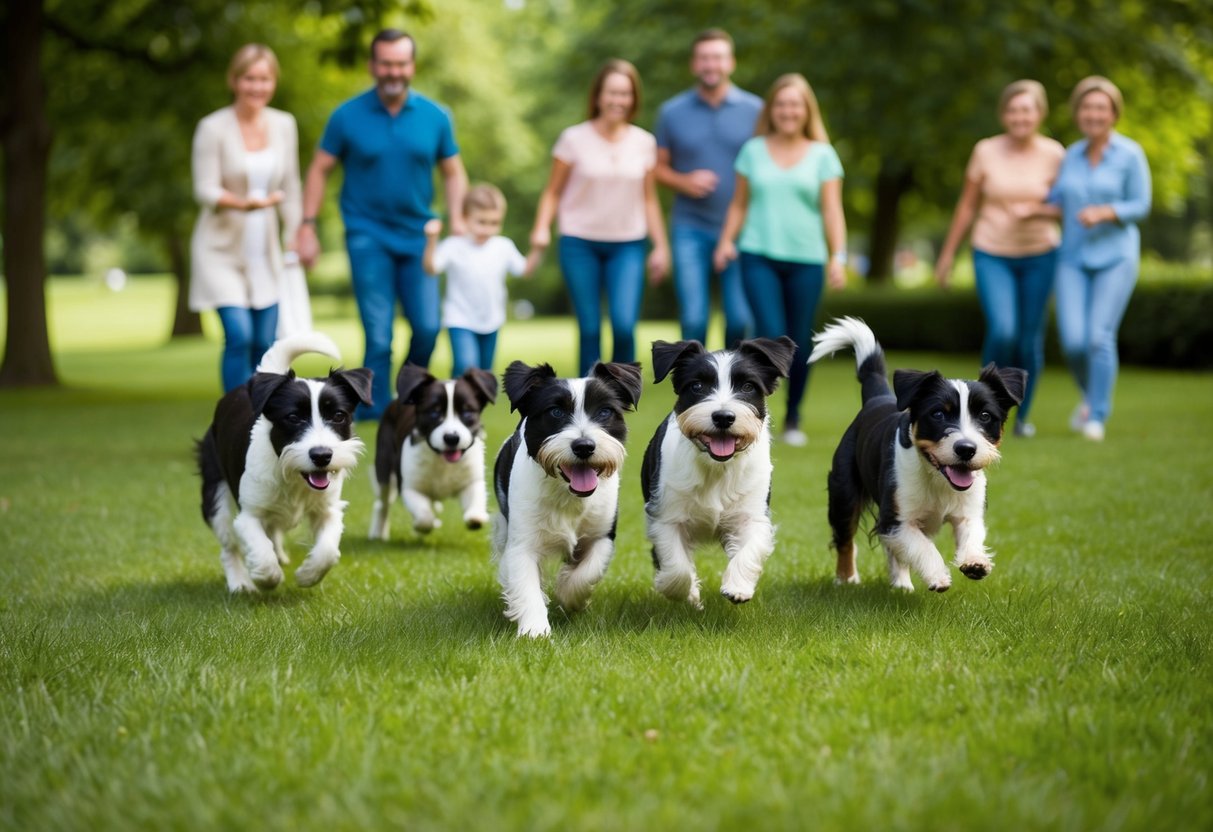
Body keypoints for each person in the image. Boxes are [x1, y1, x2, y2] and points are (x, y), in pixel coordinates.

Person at [296, 29, 468, 420]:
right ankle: (372, 414)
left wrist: (456, 216)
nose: (394, 71)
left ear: (412, 66)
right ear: (373, 66)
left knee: (427, 328)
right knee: (378, 334)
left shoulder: (435, 116)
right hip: (367, 235)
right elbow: (320, 169)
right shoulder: (346, 116)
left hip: (419, 237)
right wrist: (307, 224)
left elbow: (454, 172)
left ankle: (406, 396)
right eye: (386, 63)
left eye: (401, 63)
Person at [713, 73, 847, 447]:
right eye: (782, 104)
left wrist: (838, 255)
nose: (789, 111)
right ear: (772, 109)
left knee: (798, 340)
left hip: (807, 259)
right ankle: (758, 412)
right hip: (758, 254)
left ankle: (793, 416)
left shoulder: (823, 155)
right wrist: (726, 241)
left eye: (796, 105)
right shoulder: (753, 150)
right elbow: (739, 204)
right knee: (770, 335)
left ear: (807, 111)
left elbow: (832, 211)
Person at [934, 80, 1065, 438]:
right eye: (1013, 109)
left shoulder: (1055, 154)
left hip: (1040, 253)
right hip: (992, 251)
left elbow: (1067, 205)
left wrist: (1039, 211)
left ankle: (1020, 416)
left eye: (1027, 110)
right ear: (1003, 113)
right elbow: (967, 205)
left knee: (1028, 339)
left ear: (1039, 113)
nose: (1019, 116)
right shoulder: (986, 151)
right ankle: (981, 405)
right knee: (1003, 329)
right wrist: (947, 255)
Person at [529, 58, 670, 376]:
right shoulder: (573, 139)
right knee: (590, 327)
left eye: (625, 94)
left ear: (633, 99)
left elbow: (649, 199)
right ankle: (585, 399)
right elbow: (552, 192)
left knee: (623, 325)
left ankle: (620, 395)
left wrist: (661, 246)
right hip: (580, 241)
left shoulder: (644, 142)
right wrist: (541, 228)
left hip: (628, 244)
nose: (618, 101)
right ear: (597, 96)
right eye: (611, 93)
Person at [189, 44, 303, 393]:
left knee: (265, 342)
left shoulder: (284, 124)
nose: (257, 87)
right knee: (239, 335)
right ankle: (234, 422)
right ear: (234, 81)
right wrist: (243, 204)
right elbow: (204, 189)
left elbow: (291, 186)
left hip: (264, 252)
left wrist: (296, 234)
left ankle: (259, 428)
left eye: (264, 79)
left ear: (274, 82)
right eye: (249, 78)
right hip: (220, 248)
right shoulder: (212, 127)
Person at [1047, 76, 1151, 441]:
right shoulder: (1070, 155)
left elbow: (1142, 204)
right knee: (1073, 341)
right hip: (1072, 257)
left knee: (1098, 338)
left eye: (1101, 108)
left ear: (1113, 114)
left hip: (1116, 256)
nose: (1093, 114)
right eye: (1087, 107)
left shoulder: (1130, 154)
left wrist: (1107, 211)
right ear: (1078, 113)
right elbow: (1056, 199)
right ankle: (1089, 396)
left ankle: (1096, 414)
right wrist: (1032, 207)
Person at [654, 29, 762, 349]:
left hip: (741, 228)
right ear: (693, 64)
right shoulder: (671, 112)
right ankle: (694, 385)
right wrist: (683, 181)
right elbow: (656, 168)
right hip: (690, 227)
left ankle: (734, 382)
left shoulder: (756, 110)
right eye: (703, 58)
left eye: (717, 57)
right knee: (694, 319)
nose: (710, 64)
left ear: (730, 62)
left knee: (740, 319)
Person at [422, 184, 533, 376]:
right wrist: (431, 240)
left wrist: (538, 248)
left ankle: (468, 403)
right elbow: (431, 268)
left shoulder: (503, 246)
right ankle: (457, 402)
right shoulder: (453, 246)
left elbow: (524, 270)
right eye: (481, 222)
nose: (488, 229)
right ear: (465, 219)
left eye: (494, 222)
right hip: (459, 318)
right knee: (466, 367)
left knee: (484, 375)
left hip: (491, 319)